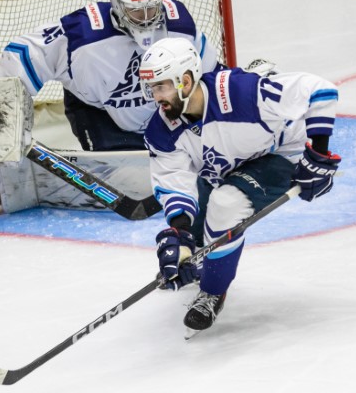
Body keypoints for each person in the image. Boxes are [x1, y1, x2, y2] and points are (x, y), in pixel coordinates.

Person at [140, 37, 340, 337]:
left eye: (162, 86)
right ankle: (194, 250)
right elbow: (174, 182)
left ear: (185, 80)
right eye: (152, 88)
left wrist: (319, 154)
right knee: (194, 234)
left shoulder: (239, 92)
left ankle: (212, 291)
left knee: (225, 205)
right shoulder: (162, 131)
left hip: (279, 155)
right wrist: (180, 234)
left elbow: (320, 89)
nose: (156, 97)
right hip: (227, 166)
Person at [0, 0, 219, 151]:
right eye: (135, 12)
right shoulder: (85, 34)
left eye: (151, 10)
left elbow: (209, 73)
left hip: (162, 108)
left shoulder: (178, 23)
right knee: (126, 176)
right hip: (97, 112)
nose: (145, 20)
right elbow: (21, 54)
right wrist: (6, 127)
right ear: (117, 7)